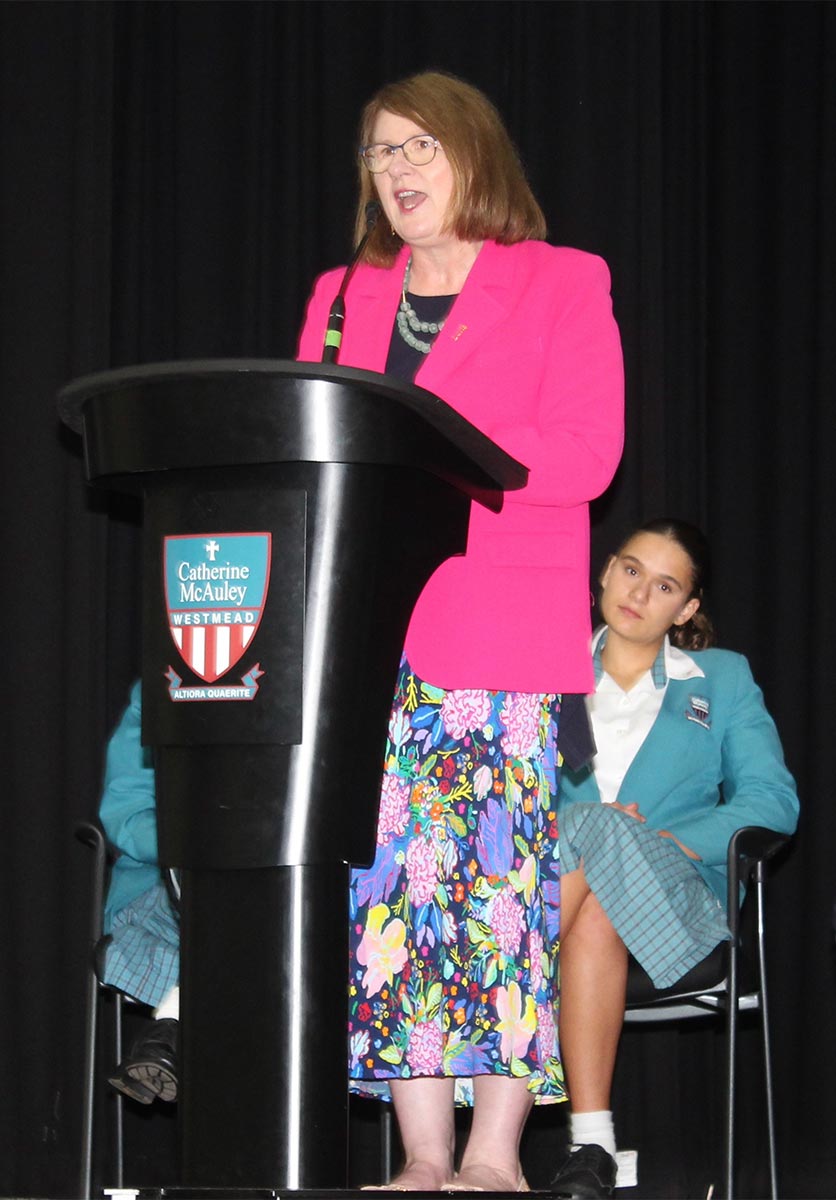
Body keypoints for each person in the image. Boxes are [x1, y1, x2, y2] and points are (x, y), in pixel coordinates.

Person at [296, 70, 624, 1193]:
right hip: (366, 639)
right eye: (382, 153)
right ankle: (422, 1156)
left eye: (420, 148)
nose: (397, 171)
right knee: (388, 896)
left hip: (498, 633)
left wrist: (434, 436)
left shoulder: (561, 283)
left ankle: (494, 1157)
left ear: (474, 156)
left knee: (492, 893)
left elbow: (586, 456)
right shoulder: (345, 294)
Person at [550, 519, 799, 1198]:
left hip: (680, 901)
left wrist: (668, 843)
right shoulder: (544, 670)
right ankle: (592, 1145)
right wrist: (592, 828)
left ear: (687, 609)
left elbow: (772, 802)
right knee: (595, 882)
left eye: (664, 586)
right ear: (604, 572)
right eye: (630, 570)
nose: (638, 593)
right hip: (574, 897)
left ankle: (493, 981)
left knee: (605, 840)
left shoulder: (720, 680)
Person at [98, 681, 180, 1106]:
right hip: (163, 888)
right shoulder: (164, 685)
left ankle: (171, 1026)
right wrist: (195, 842)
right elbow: (125, 810)